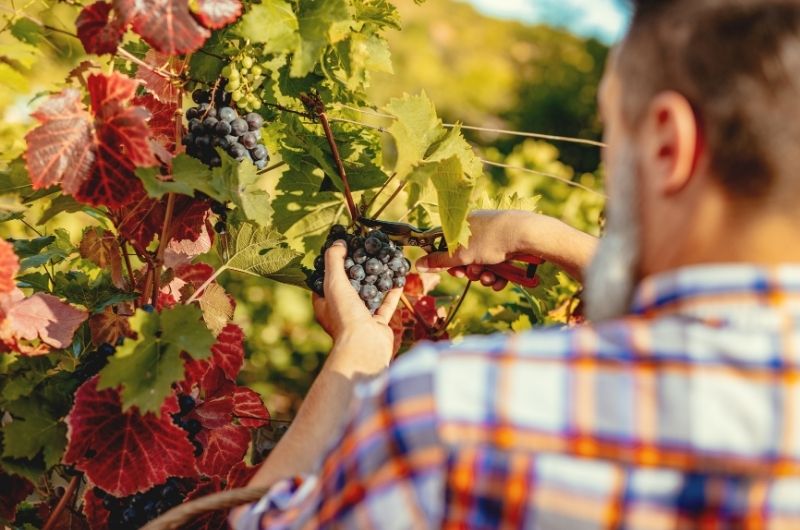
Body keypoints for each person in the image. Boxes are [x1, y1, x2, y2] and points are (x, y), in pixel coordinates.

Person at [231, 0, 800, 527]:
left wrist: (352, 361)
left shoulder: (451, 414)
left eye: (613, 133)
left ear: (665, 146)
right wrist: (545, 236)